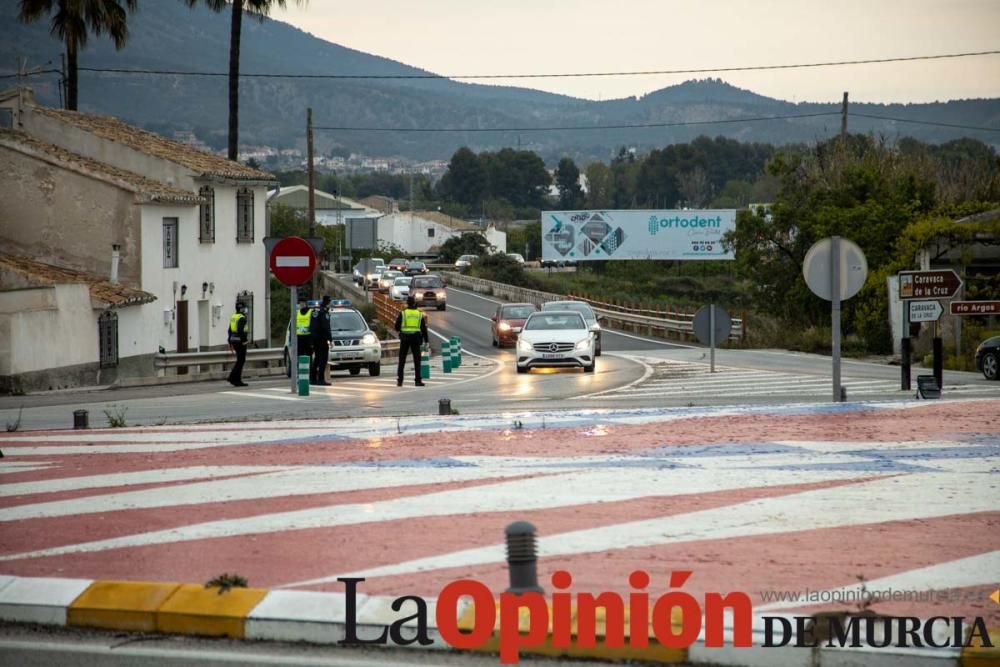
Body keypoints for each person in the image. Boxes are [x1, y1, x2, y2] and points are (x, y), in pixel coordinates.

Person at [395, 295, 428, 387]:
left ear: (407, 303)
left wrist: (402, 330)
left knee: (402, 359)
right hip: (416, 339)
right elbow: (424, 329)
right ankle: (418, 381)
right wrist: (426, 341)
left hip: (405, 338)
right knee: (417, 360)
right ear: (414, 303)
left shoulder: (403, 313)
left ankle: (400, 381)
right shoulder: (419, 314)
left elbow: (396, 327)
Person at [310, 295, 332, 385]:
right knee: (323, 359)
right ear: (328, 303)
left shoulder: (315, 311)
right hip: (322, 339)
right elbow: (326, 327)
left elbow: (312, 326)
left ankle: (313, 379)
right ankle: (321, 379)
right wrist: (330, 339)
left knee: (317, 359)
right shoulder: (324, 313)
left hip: (315, 339)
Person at [227, 303, 249, 387]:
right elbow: (240, 330)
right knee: (241, 360)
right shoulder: (242, 318)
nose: (245, 310)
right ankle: (235, 379)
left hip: (234, 340)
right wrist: (245, 340)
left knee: (239, 360)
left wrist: (229, 341)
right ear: (242, 309)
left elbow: (229, 330)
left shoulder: (234, 317)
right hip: (240, 342)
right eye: (244, 308)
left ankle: (233, 378)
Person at [294, 296, 313, 373]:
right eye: (300, 302)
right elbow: (294, 325)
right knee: (299, 356)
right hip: (299, 338)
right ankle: (300, 372)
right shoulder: (297, 312)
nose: (301, 304)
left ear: (306, 303)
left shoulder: (310, 312)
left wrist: (312, 340)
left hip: (308, 337)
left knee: (309, 357)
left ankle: (310, 372)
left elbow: (313, 326)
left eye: (303, 302)